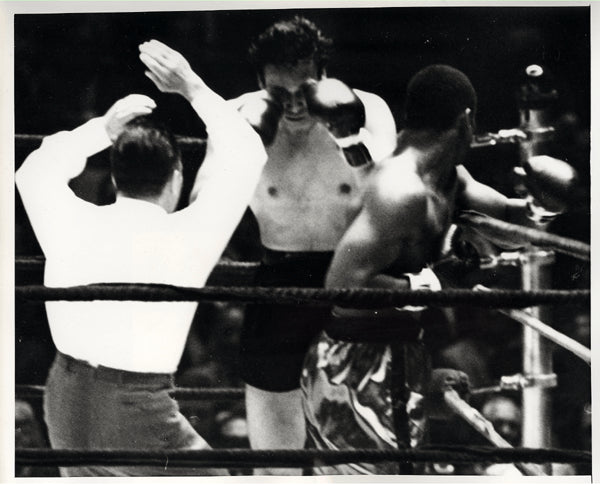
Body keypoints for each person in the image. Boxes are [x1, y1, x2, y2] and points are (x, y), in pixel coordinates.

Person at [300, 64, 576, 475]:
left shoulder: (449, 179)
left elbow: (507, 224)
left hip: (398, 355)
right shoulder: (400, 190)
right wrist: (437, 282)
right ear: (467, 120)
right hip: (355, 364)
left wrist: (541, 206)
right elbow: (343, 288)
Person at [15, 39, 267, 476]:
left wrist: (102, 129)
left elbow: (32, 171)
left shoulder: (70, 220)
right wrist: (193, 88)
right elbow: (249, 152)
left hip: (63, 396)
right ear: (176, 177)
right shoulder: (190, 235)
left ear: (113, 177)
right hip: (136, 407)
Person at [228, 16, 397, 474]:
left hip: (352, 280)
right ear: (260, 84)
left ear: (325, 77)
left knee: (358, 462)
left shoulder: (369, 109)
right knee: (275, 463)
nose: (295, 105)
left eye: (305, 90)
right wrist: (245, 147)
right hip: (277, 285)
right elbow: (210, 198)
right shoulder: (237, 117)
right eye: (279, 94)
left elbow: (390, 200)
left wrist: (348, 138)